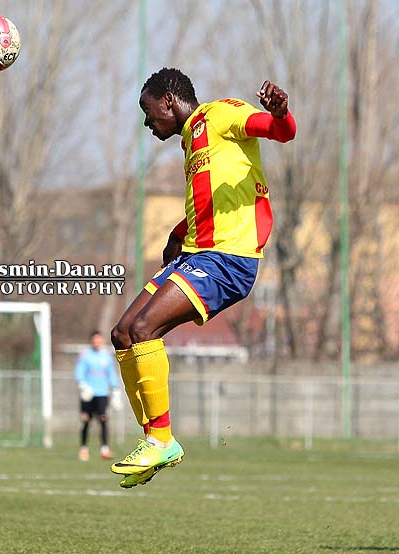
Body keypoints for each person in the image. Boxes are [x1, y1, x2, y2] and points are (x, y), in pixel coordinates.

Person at [110, 68, 296, 489]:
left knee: (144, 328)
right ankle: (153, 439)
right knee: (123, 333)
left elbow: (280, 132)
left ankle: (161, 440)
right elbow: (209, 199)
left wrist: (281, 112)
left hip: (229, 258)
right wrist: (178, 233)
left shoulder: (220, 114)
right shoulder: (191, 142)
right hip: (196, 253)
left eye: (148, 111)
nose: (146, 122)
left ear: (169, 100)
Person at [75, 330, 119, 461]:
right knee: (86, 420)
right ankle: (83, 449)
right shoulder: (85, 355)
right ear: (91, 341)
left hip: (102, 393)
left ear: (102, 341)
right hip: (88, 393)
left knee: (103, 419)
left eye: (99, 340)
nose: (96, 342)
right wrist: (82, 384)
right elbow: (79, 371)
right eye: (94, 340)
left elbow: (111, 373)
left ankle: (104, 449)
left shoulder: (106, 356)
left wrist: (115, 389)